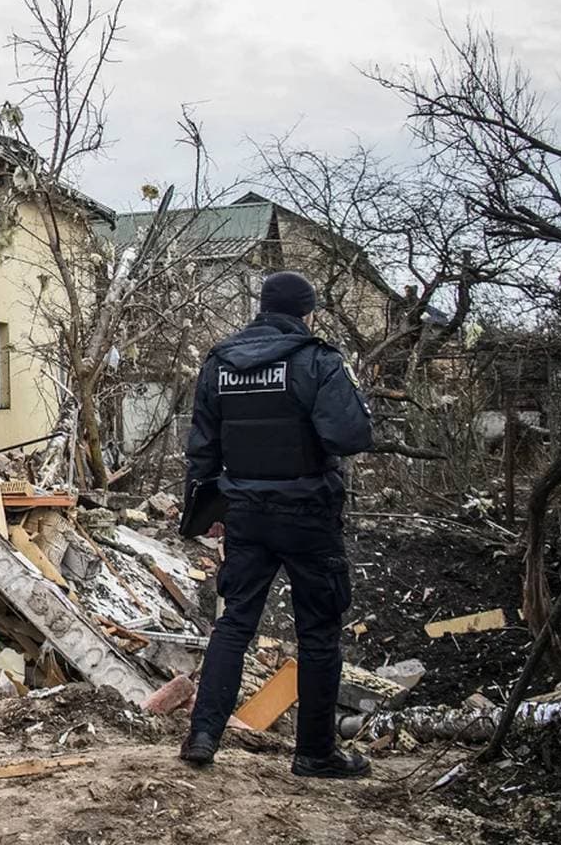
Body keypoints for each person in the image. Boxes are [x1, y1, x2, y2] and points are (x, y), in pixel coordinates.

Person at [179, 271, 374, 778]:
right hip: (309, 513)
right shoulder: (318, 360)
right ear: (306, 313)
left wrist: (207, 509)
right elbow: (350, 436)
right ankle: (314, 753)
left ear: (262, 308)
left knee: (235, 622)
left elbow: (201, 451)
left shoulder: (219, 364)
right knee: (318, 633)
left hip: (244, 513)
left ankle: (203, 735)